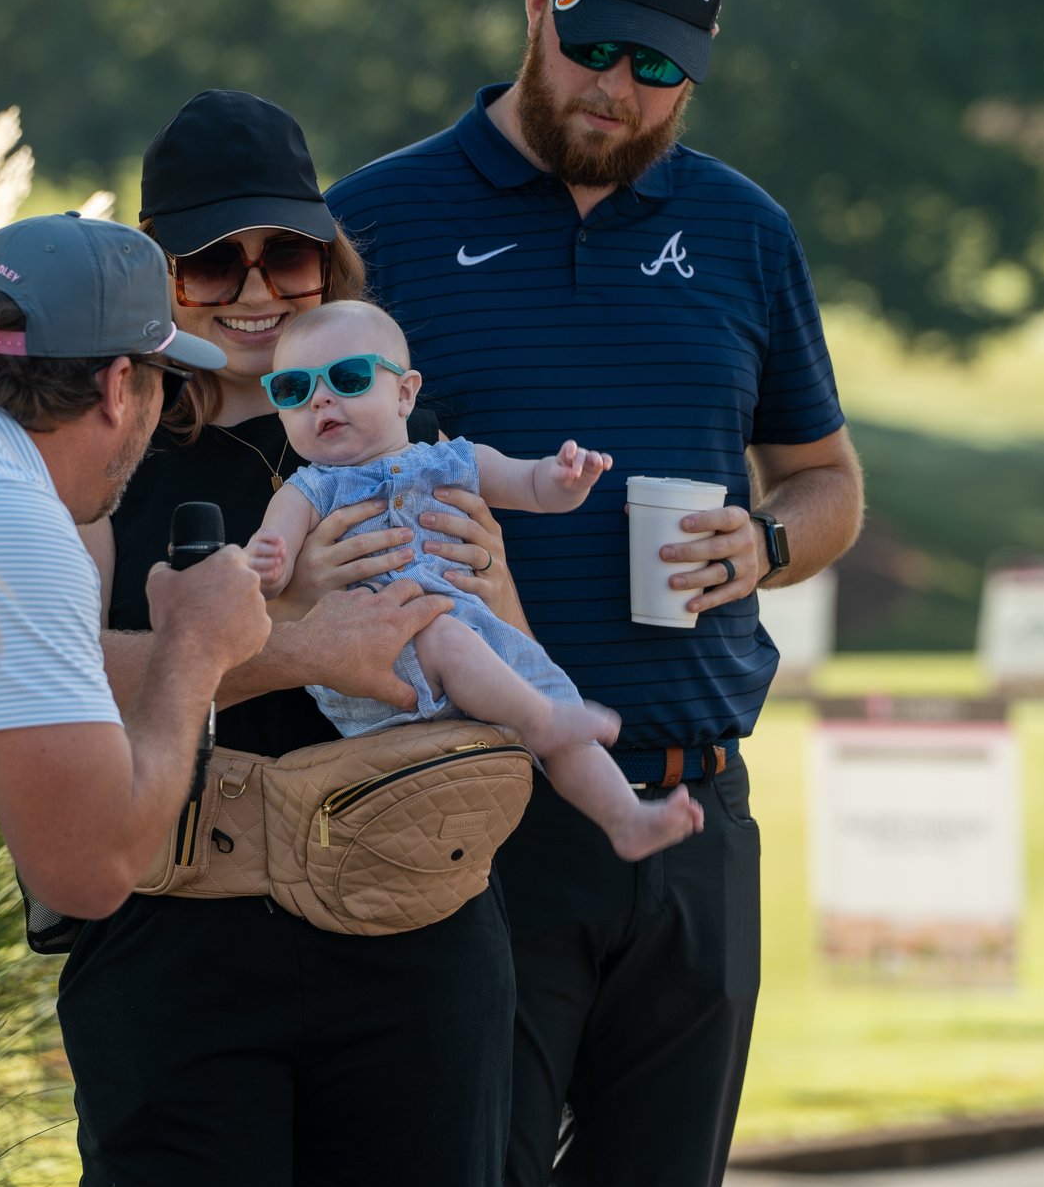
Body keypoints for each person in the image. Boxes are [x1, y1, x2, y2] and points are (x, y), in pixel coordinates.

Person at [325, 0, 866, 1187]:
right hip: (473, 813)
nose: (616, 88)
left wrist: (766, 542)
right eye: (592, 44)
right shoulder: (375, 222)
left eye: (657, 66)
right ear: (536, 3)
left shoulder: (745, 232)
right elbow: (291, 488)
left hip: (695, 816)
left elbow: (827, 479)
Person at [61, 89, 530, 1187]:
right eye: (212, 262)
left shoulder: (400, 428)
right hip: (178, 939)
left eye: (287, 253)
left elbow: (509, 682)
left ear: (331, 255)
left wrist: (463, 593)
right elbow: (62, 680)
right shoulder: (102, 435)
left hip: (409, 930)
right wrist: (298, 629)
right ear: (156, 271)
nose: (256, 288)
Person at [0, 212, 271, 923]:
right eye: (171, 383)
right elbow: (86, 871)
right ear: (119, 384)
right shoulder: (11, 518)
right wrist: (196, 645)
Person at [244, 300, 702, 860]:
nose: (319, 399)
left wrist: (565, 480)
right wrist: (267, 565)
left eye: (348, 377)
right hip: (378, 662)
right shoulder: (309, 489)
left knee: (554, 700)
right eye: (293, 389)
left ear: (405, 394)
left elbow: (531, 488)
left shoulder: (455, 460)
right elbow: (270, 560)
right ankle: (540, 722)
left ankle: (626, 818)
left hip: (483, 643)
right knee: (451, 639)